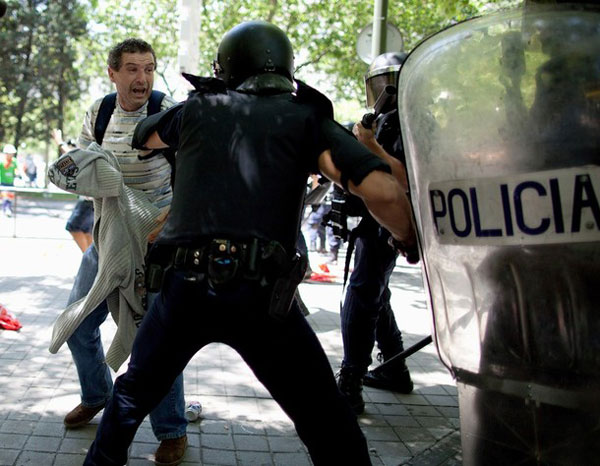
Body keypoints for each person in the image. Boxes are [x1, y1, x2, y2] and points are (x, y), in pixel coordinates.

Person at [83, 20, 416, 466]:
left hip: (184, 291)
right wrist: (406, 237)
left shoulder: (198, 109)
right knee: (328, 422)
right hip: (262, 301)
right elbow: (384, 193)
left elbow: (145, 137)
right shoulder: (306, 119)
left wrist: (197, 113)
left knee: (129, 400)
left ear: (226, 69)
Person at [60, 38, 188, 465]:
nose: (141, 78)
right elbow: (84, 166)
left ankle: (171, 430)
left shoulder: (167, 112)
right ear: (112, 73)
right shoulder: (98, 113)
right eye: (132, 69)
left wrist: (167, 219)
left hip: (157, 243)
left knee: (158, 339)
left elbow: (192, 174)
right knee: (78, 323)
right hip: (109, 236)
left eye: (148, 68)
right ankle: (98, 395)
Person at [336, 52, 415, 415]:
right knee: (373, 291)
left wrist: (370, 145)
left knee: (362, 293)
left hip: (389, 223)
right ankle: (395, 366)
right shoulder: (383, 120)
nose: (383, 90)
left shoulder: (411, 122)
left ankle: (350, 381)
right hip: (370, 220)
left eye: (389, 83)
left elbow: (405, 177)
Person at [51, 129, 94, 253]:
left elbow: (71, 156)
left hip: (88, 201)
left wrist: (59, 142)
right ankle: (90, 260)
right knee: (87, 232)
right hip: (90, 200)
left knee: (73, 226)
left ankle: (88, 258)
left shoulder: (89, 153)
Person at [0, 144, 18, 217]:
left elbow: (16, 169)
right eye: (10, 153)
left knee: (10, 197)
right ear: (6, 153)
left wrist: (18, 175)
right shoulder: (1, 161)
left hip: (11, 182)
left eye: (12, 153)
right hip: (3, 182)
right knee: (5, 197)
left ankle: (8, 209)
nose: (12, 155)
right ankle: (6, 209)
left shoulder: (14, 161)